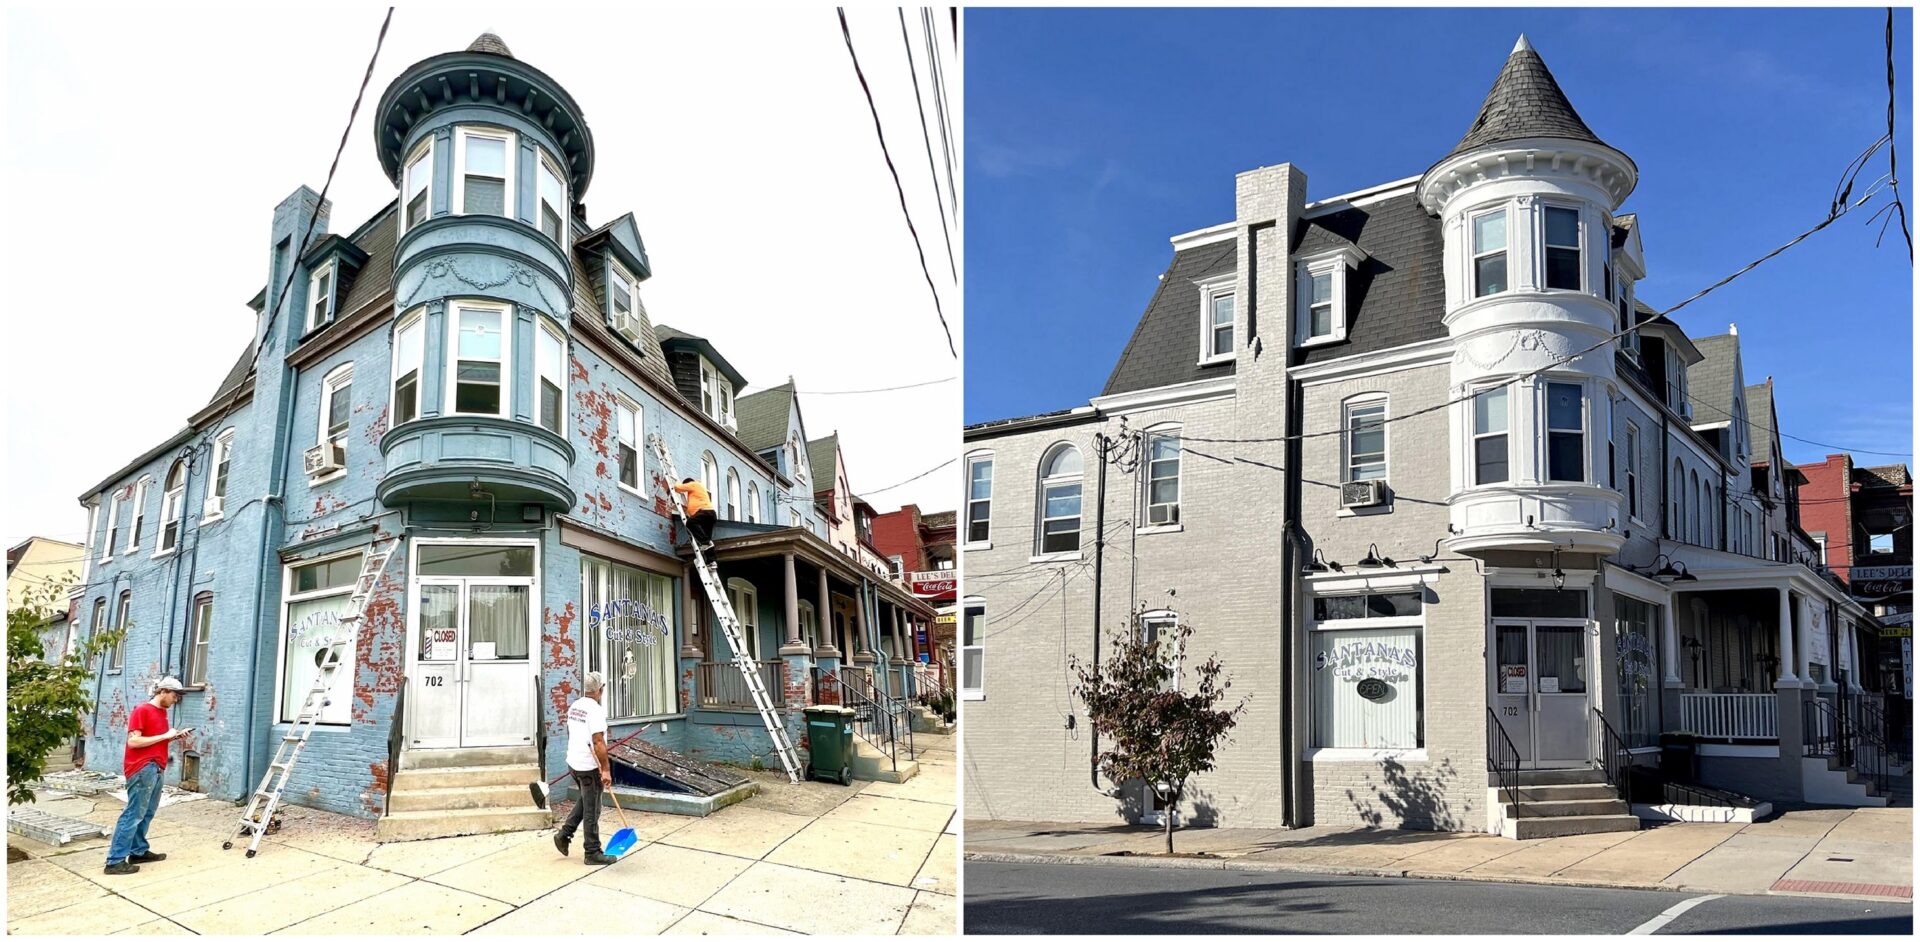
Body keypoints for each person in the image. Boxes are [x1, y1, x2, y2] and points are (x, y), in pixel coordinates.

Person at [104, 676, 189, 875]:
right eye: (175, 695)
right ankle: (114, 861)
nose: (176, 700)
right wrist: (165, 736)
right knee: (133, 814)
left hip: (156, 767)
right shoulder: (142, 710)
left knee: (147, 812)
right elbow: (134, 742)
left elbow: (155, 741)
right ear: (163, 692)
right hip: (143, 768)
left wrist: (174, 736)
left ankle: (138, 850)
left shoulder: (162, 713)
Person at [554, 670, 615, 866]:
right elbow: (598, 741)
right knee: (592, 809)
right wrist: (605, 770)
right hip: (589, 767)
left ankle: (564, 834)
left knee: (585, 800)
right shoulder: (595, 710)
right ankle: (592, 852)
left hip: (574, 763)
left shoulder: (575, 706)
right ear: (600, 689)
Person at [672, 477, 717, 551]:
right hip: (709, 514)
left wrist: (675, 484)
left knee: (690, 522)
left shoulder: (694, 484)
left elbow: (677, 488)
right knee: (707, 539)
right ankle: (711, 561)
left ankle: (706, 543)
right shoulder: (696, 491)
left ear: (688, 483)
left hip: (705, 512)